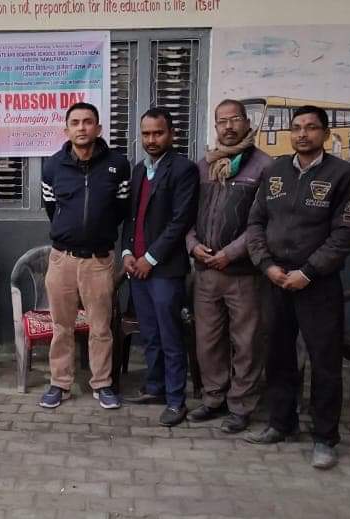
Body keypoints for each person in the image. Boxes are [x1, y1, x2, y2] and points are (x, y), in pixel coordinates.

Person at [244, 105, 350, 470]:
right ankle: (282, 423)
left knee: (325, 362)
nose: (302, 134)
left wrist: (308, 272)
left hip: (317, 284)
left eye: (311, 127)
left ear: (325, 133)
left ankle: (325, 438)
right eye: (296, 128)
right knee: (278, 356)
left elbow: (345, 235)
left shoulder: (343, 175)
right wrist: (267, 265)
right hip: (276, 279)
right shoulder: (274, 171)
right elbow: (255, 223)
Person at [184, 100, 274, 433]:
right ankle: (213, 399)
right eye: (222, 121)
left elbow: (264, 222)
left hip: (244, 274)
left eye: (235, 119)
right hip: (206, 272)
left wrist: (231, 253)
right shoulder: (203, 166)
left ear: (247, 123)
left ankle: (241, 405)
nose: (229, 126)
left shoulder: (264, 166)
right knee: (207, 341)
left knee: (246, 342)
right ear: (216, 127)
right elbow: (186, 215)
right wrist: (193, 245)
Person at [38, 102, 130, 410]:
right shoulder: (52, 166)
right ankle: (60, 383)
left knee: (101, 327)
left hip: (99, 260)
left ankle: (102, 384)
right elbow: (52, 208)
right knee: (61, 326)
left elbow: (121, 209)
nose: (81, 127)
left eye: (88, 122)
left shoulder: (118, 164)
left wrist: (96, 231)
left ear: (98, 128)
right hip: (62, 259)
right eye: (75, 122)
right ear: (66, 130)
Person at [120, 108, 199, 427]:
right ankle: (155, 387)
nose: (151, 139)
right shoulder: (139, 169)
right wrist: (127, 251)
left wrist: (150, 258)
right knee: (150, 334)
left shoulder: (184, 169)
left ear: (171, 134)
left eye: (158, 133)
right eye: (146, 134)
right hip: (137, 269)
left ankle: (177, 400)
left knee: (170, 336)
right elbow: (131, 217)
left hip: (164, 270)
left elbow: (181, 221)